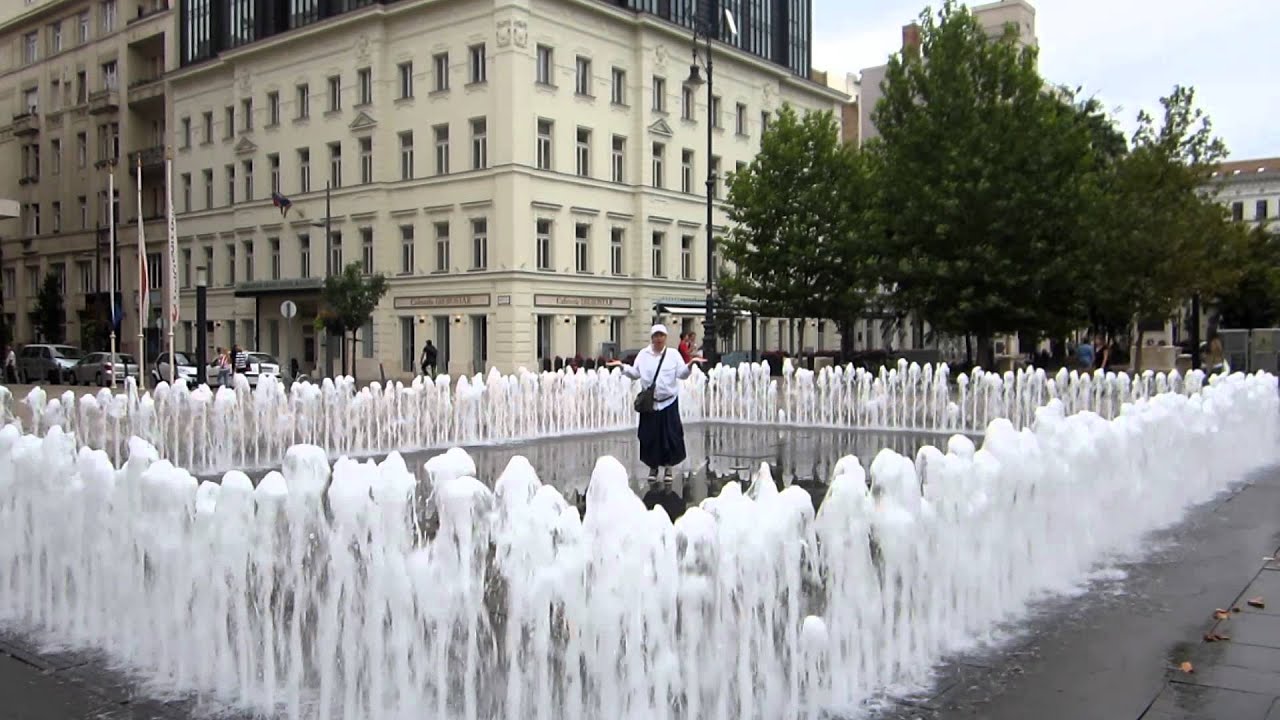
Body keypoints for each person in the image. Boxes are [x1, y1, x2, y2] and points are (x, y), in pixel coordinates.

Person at [608, 324, 704, 489]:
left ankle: (668, 468)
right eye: (656, 336)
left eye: (661, 336)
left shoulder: (673, 354)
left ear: (665, 338)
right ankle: (653, 468)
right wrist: (622, 367)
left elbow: (681, 374)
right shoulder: (643, 355)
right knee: (649, 437)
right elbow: (635, 374)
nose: (659, 339)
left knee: (670, 437)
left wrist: (690, 365)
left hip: (668, 402)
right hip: (650, 405)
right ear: (652, 338)